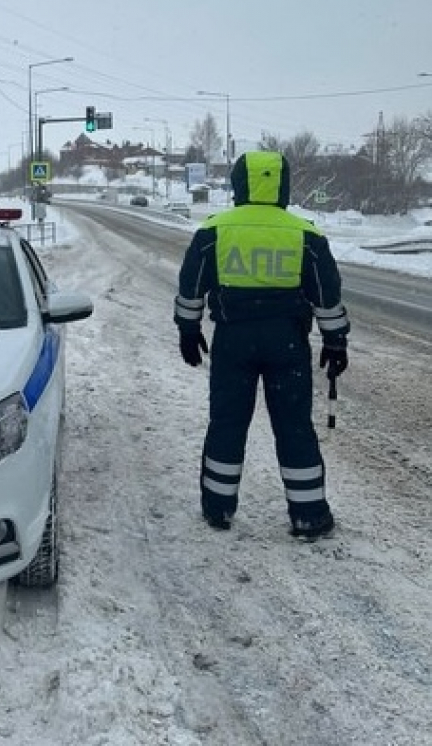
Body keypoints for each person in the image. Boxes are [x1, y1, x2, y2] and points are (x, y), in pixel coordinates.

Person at [173, 151, 350, 539]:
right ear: (283, 185)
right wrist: (336, 342)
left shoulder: (214, 230)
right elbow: (326, 295)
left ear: (238, 184)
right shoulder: (305, 234)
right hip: (287, 343)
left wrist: (188, 330)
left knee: (227, 423)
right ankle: (309, 515)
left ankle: (218, 508)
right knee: (294, 427)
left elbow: (191, 287)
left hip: (232, 342)